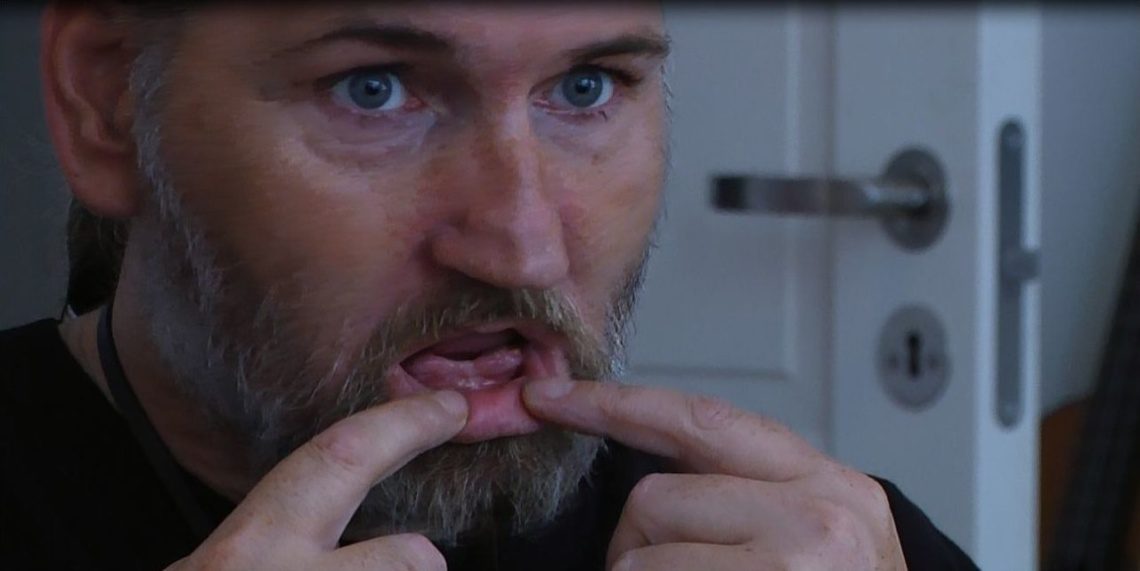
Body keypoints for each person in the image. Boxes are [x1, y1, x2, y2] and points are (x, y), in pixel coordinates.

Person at [1, 3, 978, 570]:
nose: (523, 250)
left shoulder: (823, 542)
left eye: (587, 86)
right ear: (106, 98)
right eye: (374, 88)